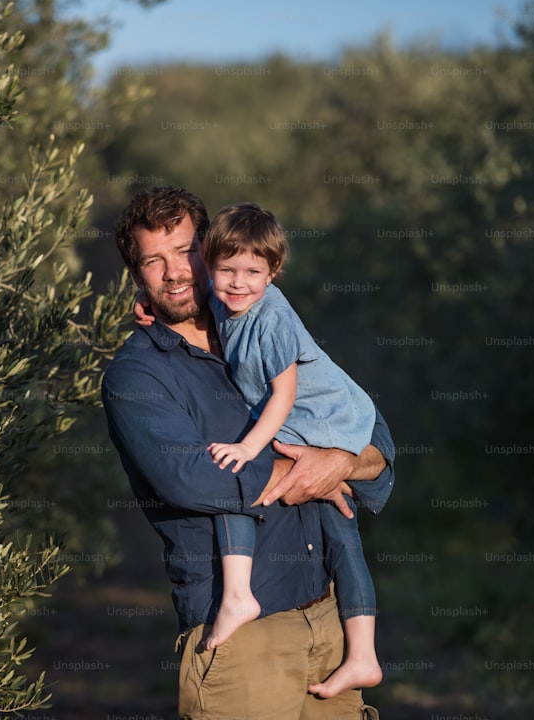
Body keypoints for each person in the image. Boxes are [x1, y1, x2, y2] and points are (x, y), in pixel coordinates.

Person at [102, 186, 396, 719]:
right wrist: (310, 467)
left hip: (330, 624)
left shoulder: (257, 319)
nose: (174, 272)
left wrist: (343, 462)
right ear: (137, 274)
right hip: (244, 641)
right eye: (154, 260)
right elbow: (193, 480)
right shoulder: (137, 375)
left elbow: (376, 443)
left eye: (187, 251)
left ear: (213, 248)